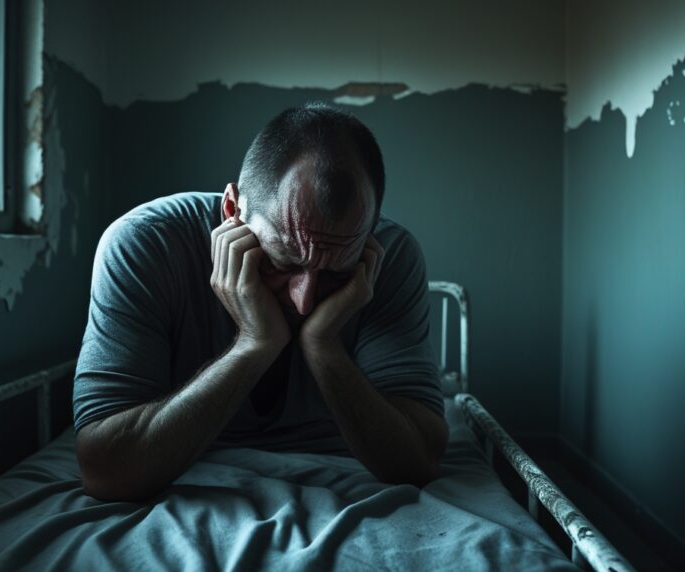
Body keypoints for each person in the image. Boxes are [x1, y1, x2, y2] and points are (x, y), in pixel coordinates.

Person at [73, 103, 448, 502]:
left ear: (369, 236)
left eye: (336, 274)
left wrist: (324, 347)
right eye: (281, 263)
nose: (303, 302)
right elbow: (105, 472)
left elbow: (420, 461)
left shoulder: (391, 258)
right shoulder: (146, 243)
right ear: (232, 210)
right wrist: (254, 344)